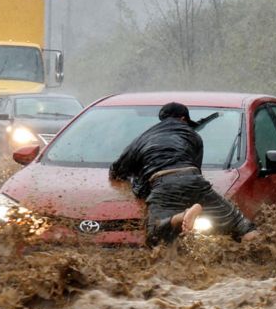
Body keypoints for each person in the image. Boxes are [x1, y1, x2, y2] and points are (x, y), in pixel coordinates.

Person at [109, 102, 258, 246]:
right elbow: (195, 170)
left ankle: (181, 216)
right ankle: (260, 254)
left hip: (163, 183)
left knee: (153, 235)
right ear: (183, 119)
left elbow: (117, 170)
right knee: (240, 224)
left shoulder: (142, 139)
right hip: (193, 179)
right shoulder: (193, 136)